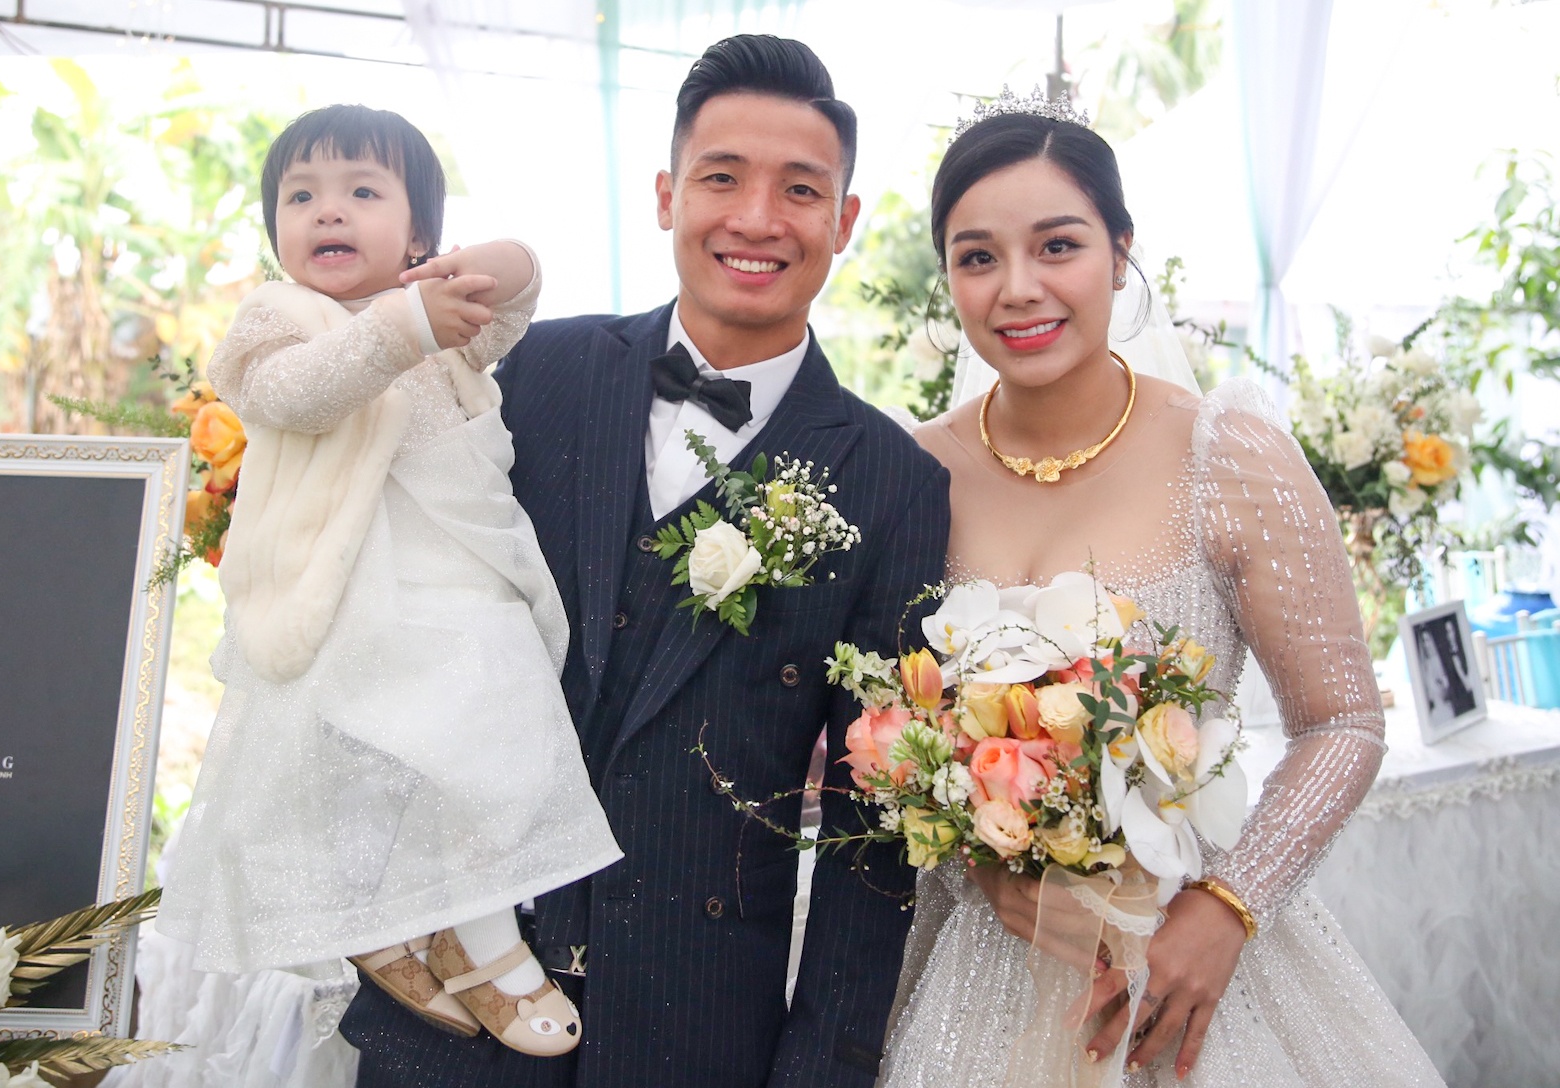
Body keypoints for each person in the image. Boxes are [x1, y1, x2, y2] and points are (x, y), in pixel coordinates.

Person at [338, 35, 951, 1088]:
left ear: (844, 221)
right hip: (451, 1011)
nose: (756, 218)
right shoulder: (528, 373)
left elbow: (875, 817)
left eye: (800, 189)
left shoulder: (894, 483)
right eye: (722, 177)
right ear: (667, 196)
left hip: (697, 1031)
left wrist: (824, 1066)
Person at [879, 93, 1445, 1087]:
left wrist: (1228, 906)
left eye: (1058, 245)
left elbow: (1344, 720)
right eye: (977, 258)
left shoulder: (1227, 454)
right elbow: (886, 727)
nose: (1018, 288)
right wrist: (979, 856)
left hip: (1190, 951)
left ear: (1120, 251)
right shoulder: (910, 472)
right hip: (980, 968)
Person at [156, 104, 622, 1058]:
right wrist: (403, 323)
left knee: (492, 754)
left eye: (362, 191)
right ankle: (429, 932)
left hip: (467, 584)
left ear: (418, 235)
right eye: (302, 196)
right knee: (369, 764)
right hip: (354, 592)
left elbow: (516, 300)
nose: (328, 211)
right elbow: (295, 393)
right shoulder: (279, 321)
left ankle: (459, 927)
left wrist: (488, 267)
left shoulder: (443, 316)